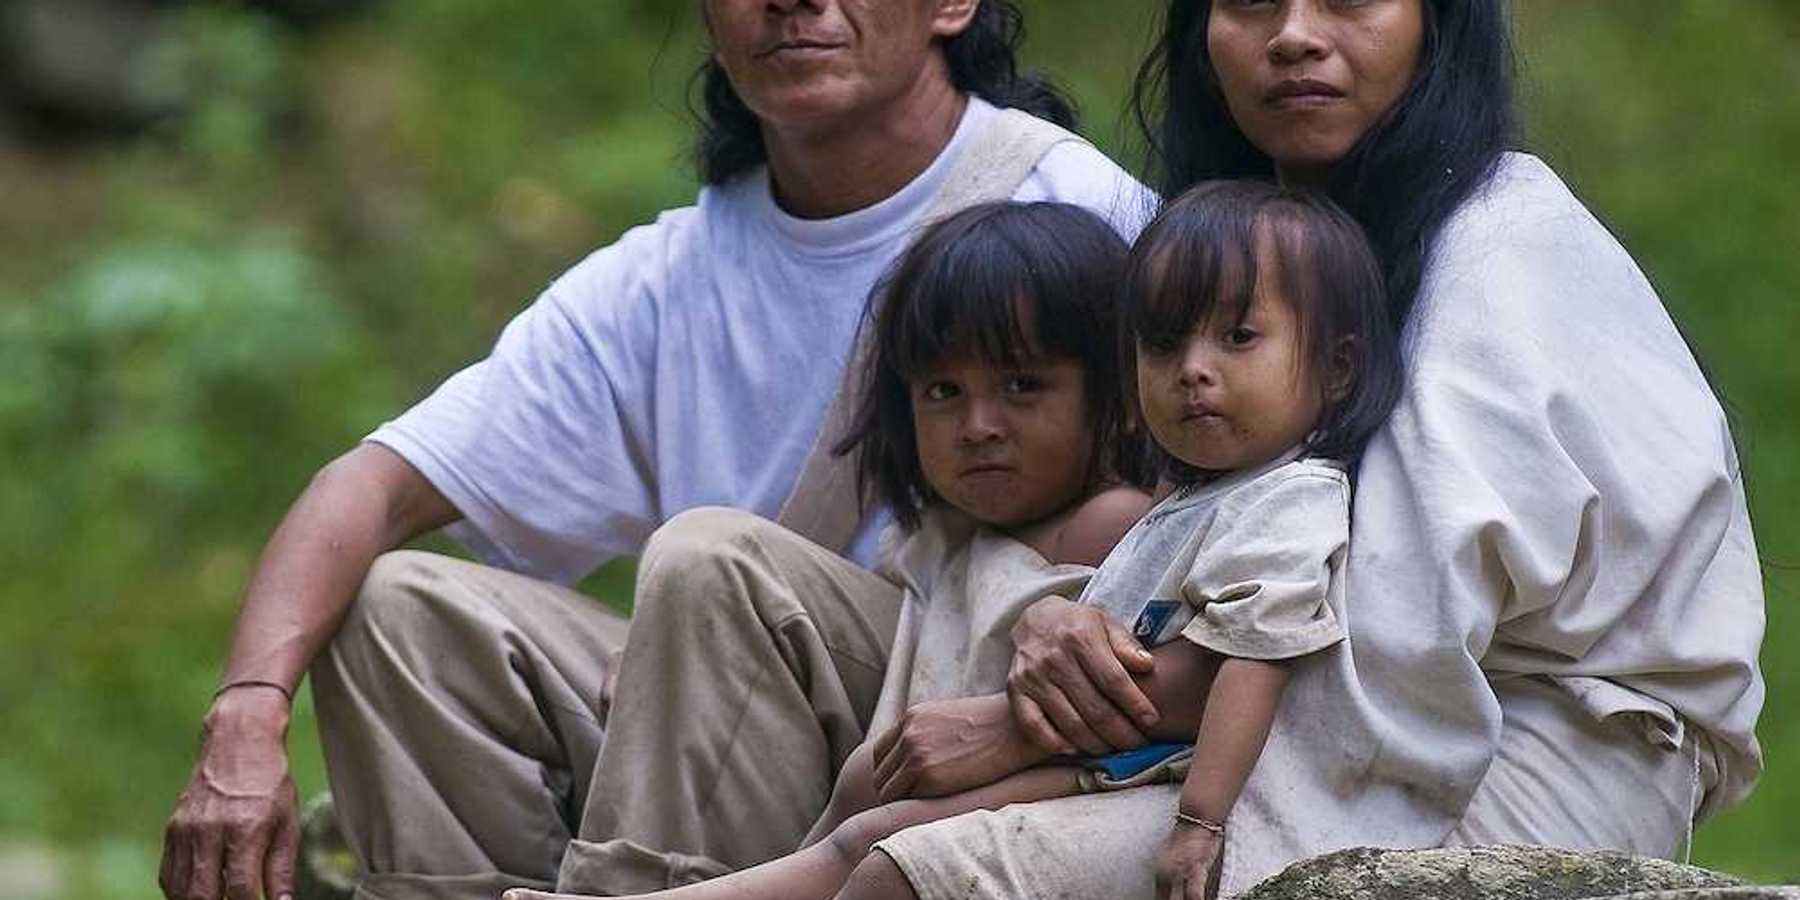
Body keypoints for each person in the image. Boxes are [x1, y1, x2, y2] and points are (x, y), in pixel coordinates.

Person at [155, 2, 1152, 900]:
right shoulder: (669, 274)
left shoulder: (1076, 208)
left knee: (710, 562)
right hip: (712, 725)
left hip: (956, 713)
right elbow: (368, 487)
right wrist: (246, 715)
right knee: (396, 607)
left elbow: (1222, 519)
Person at [864, 1, 1767, 898]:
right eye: (1250, 1)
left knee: (937, 870)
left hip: (1514, 741)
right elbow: (1176, 533)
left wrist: (1022, 732)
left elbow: (1392, 636)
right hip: (1258, 704)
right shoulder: (1258, 238)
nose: (1292, 32)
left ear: (1437, 26)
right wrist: (1052, 618)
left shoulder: (1501, 247)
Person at [507, 177, 1402, 900]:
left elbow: (1216, 669)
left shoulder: (1202, 508)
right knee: (858, 815)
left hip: (1126, 781)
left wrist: (1199, 824)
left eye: (1021, 386)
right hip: (1065, 772)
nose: (978, 426)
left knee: (876, 841)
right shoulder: (1105, 518)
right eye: (942, 393)